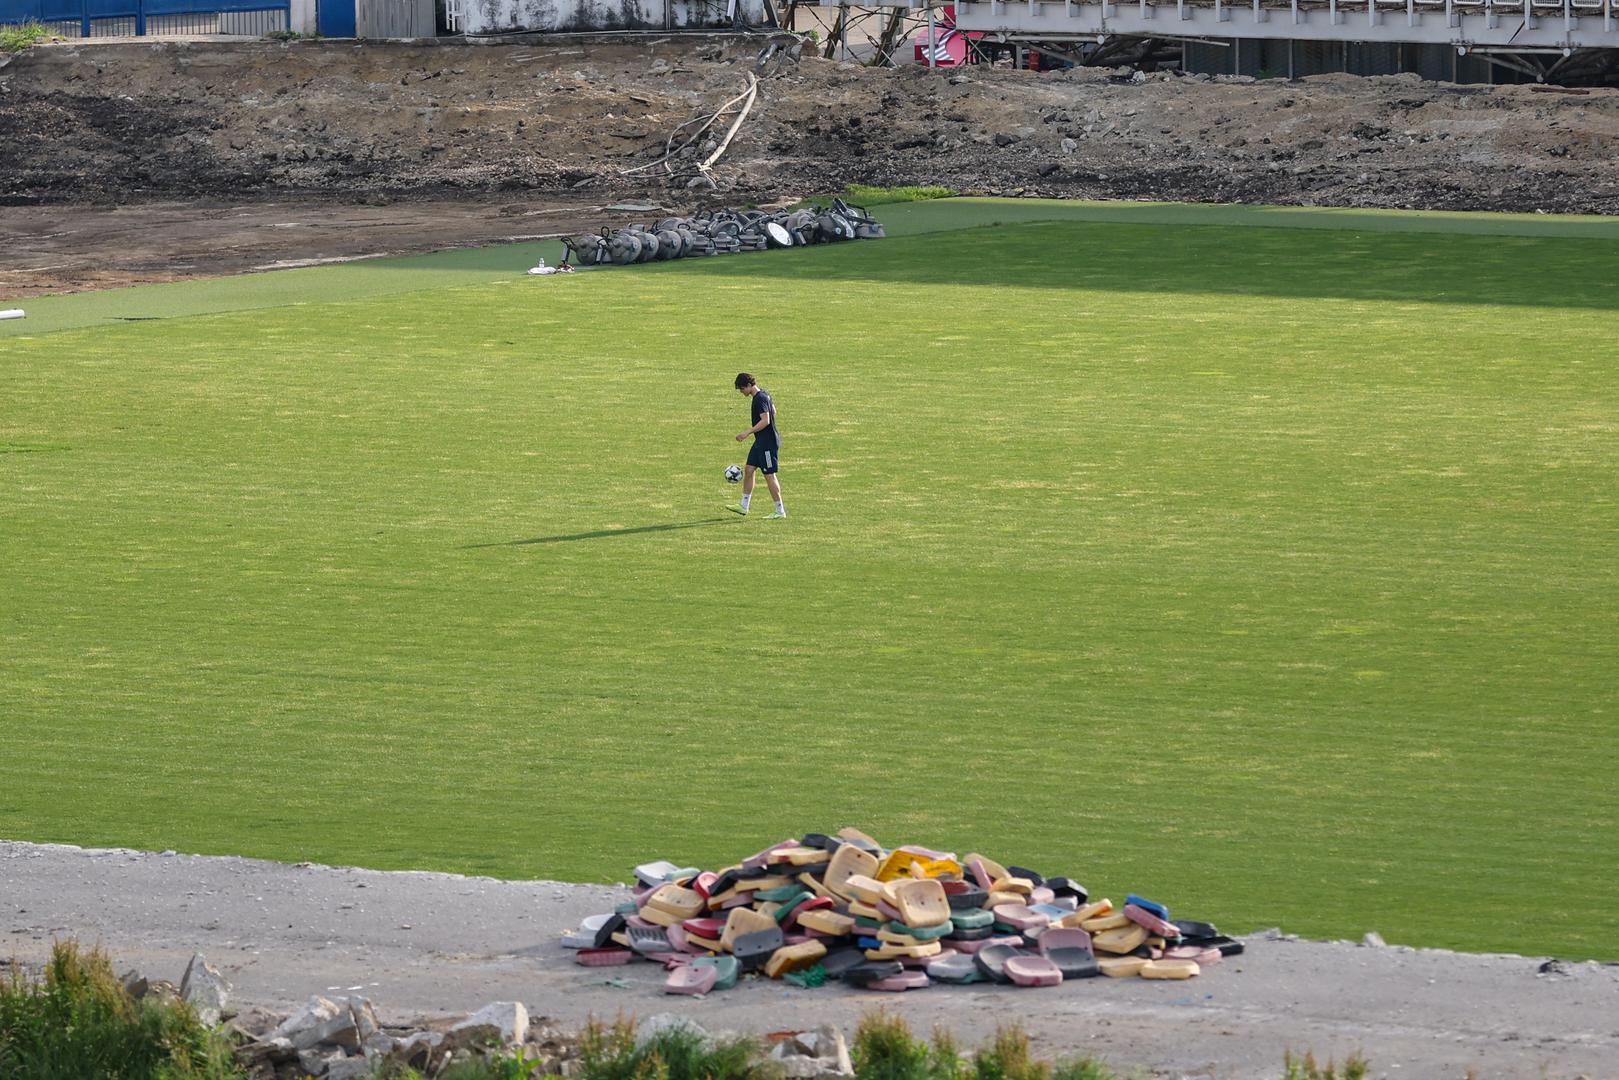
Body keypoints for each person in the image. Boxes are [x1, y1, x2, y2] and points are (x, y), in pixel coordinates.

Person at [729, 372, 785, 518]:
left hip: (767, 444)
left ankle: (780, 511)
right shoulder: (764, 394)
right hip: (760, 442)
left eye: (742, 389)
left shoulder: (760, 399)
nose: (741, 392)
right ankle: (744, 505)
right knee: (749, 469)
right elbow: (773, 411)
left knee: (769, 475)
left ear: (749, 385)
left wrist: (747, 432)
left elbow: (766, 420)